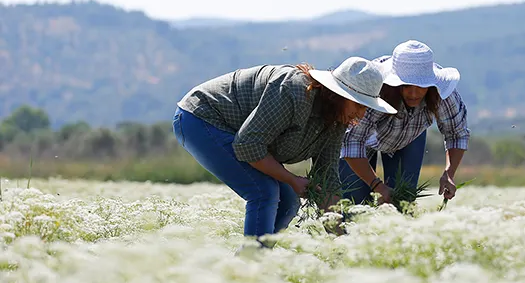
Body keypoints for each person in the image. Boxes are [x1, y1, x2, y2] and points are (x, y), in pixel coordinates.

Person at [172, 56, 396, 237]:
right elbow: (248, 144)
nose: (362, 113)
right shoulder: (293, 91)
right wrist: (291, 179)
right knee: (264, 192)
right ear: (338, 95)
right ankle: (250, 268)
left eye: (366, 106)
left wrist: (339, 237)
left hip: (237, 132)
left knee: (289, 201)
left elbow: (327, 177)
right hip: (201, 117)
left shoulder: (338, 120)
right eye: (358, 103)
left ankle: (261, 260)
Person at [338, 40, 470, 206]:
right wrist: (377, 185)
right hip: (359, 142)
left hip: (409, 138)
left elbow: (456, 133)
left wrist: (449, 174)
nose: (413, 93)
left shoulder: (442, 94)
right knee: (354, 203)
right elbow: (352, 141)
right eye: (406, 86)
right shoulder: (374, 88)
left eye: (421, 87)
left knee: (402, 202)